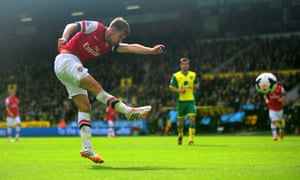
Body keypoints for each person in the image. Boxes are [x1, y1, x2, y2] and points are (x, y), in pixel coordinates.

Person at [54, 17, 164, 164]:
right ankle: (126, 111)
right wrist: (64, 37)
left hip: (68, 67)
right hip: (67, 60)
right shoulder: (96, 27)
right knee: (96, 87)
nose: (121, 40)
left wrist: (151, 51)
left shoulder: (110, 44)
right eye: (121, 36)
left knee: (85, 107)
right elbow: (71, 25)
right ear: (113, 30)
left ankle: (87, 148)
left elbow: (131, 47)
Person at [169, 57, 199, 146]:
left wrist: (196, 86)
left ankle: (191, 140)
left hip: (191, 100)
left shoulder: (193, 74)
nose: (185, 66)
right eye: (183, 64)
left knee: (192, 119)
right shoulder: (176, 75)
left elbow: (197, 84)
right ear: (180, 65)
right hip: (181, 101)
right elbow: (171, 87)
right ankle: (180, 134)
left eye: (186, 64)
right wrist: (179, 91)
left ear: (188, 65)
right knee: (180, 121)